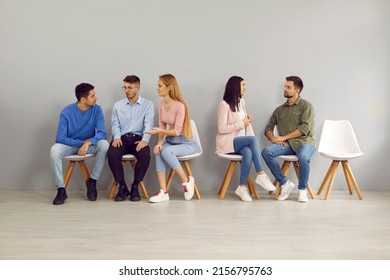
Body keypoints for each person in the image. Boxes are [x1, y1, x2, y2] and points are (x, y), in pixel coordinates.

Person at [216, 76, 276, 202]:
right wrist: (242, 123)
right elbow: (221, 128)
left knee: (248, 152)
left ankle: (242, 187)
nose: (245, 88)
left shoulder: (242, 103)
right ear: (235, 86)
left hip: (240, 140)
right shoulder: (224, 105)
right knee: (253, 140)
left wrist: (247, 120)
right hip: (227, 142)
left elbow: (243, 123)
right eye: (243, 85)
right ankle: (261, 174)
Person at [50, 83, 109, 205]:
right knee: (54, 151)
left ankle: (92, 181)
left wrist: (88, 143)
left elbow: (102, 133)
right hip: (70, 145)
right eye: (92, 96)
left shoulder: (97, 109)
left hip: (88, 146)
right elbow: (60, 138)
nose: (96, 98)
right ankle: (61, 189)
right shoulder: (66, 112)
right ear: (83, 99)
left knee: (104, 144)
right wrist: (82, 143)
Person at [262, 76, 316, 203]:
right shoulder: (279, 110)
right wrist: (273, 138)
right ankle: (285, 183)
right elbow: (268, 128)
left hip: (305, 142)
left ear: (297, 90)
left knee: (303, 156)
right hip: (288, 144)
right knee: (266, 152)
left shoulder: (306, 106)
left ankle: (302, 190)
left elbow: (305, 128)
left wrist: (284, 137)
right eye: (285, 86)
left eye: (288, 87)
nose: (285, 89)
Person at [146, 74, 196, 203]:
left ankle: (186, 181)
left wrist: (160, 131)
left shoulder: (180, 106)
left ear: (169, 88)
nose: (157, 88)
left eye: (160, 85)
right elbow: (161, 124)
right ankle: (164, 192)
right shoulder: (162, 103)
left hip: (185, 143)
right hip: (170, 141)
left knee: (166, 151)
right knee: (158, 152)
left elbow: (176, 131)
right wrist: (158, 142)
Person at [107, 75, 154, 202]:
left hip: (138, 139)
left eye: (130, 87)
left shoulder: (148, 105)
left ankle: (135, 186)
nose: (127, 90)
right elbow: (115, 124)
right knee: (112, 154)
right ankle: (122, 186)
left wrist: (145, 140)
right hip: (121, 138)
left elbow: (148, 123)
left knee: (145, 155)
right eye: (125, 87)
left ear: (138, 88)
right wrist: (116, 137)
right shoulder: (118, 105)